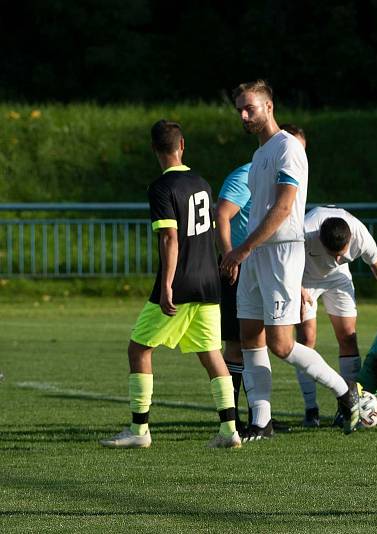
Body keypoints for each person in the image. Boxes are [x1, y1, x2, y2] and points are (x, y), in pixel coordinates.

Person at [220, 80, 359, 440]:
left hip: (280, 252)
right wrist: (247, 251)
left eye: (250, 107)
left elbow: (284, 207)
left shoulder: (288, 148)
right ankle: (261, 421)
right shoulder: (258, 155)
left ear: (269, 106)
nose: (244, 115)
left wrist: (243, 248)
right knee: (250, 336)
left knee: (280, 344)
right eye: (239, 109)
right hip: (256, 254)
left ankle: (346, 393)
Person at [100, 120, 240, 449]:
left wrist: (166, 284)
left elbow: (170, 237)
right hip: (208, 282)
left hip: (182, 281)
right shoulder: (202, 183)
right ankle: (229, 429)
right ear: (182, 146)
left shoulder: (162, 188)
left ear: (154, 150)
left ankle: (139, 431)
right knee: (211, 354)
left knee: (139, 349)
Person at [294, 206, 377, 427]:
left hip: (338, 279)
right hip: (304, 278)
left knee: (348, 337)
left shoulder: (360, 234)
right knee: (307, 339)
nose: (338, 258)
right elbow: (284, 261)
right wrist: (295, 288)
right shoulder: (304, 232)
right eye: (333, 253)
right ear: (319, 238)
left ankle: (350, 405)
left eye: (342, 253)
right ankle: (311, 409)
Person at [215, 124, 307, 433]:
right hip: (241, 264)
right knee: (236, 344)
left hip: (261, 262)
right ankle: (232, 417)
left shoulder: (281, 173)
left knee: (258, 341)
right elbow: (223, 214)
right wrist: (231, 256)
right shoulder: (248, 172)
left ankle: (259, 417)